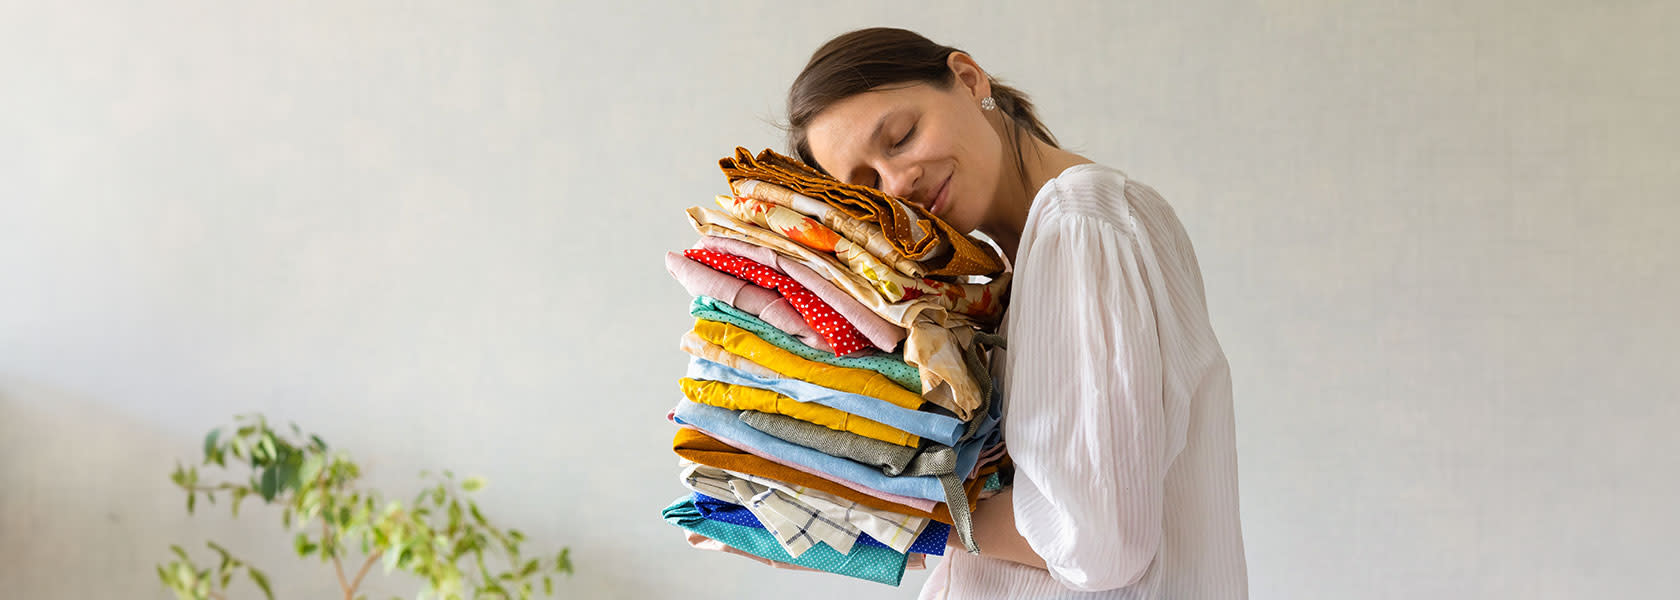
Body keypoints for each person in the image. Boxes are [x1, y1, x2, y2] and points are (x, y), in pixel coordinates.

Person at [783, 28, 1249, 599]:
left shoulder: (1078, 225)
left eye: (901, 137)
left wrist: (876, 512)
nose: (898, 183)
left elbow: (1095, 542)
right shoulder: (1034, 256)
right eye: (868, 185)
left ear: (969, 79)